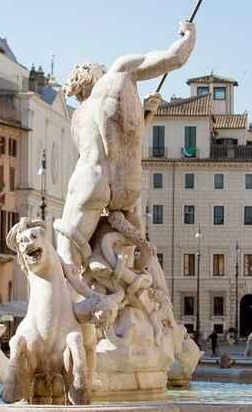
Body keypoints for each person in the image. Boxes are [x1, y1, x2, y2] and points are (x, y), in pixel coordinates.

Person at [55, 19, 197, 266]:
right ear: (94, 73)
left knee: (66, 259)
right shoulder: (120, 71)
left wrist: (145, 113)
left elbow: (104, 144)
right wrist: (189, 35)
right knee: (131, 262)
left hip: (91, 181)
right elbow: (174, 58)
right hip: (127, 188)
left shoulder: (77, 117)